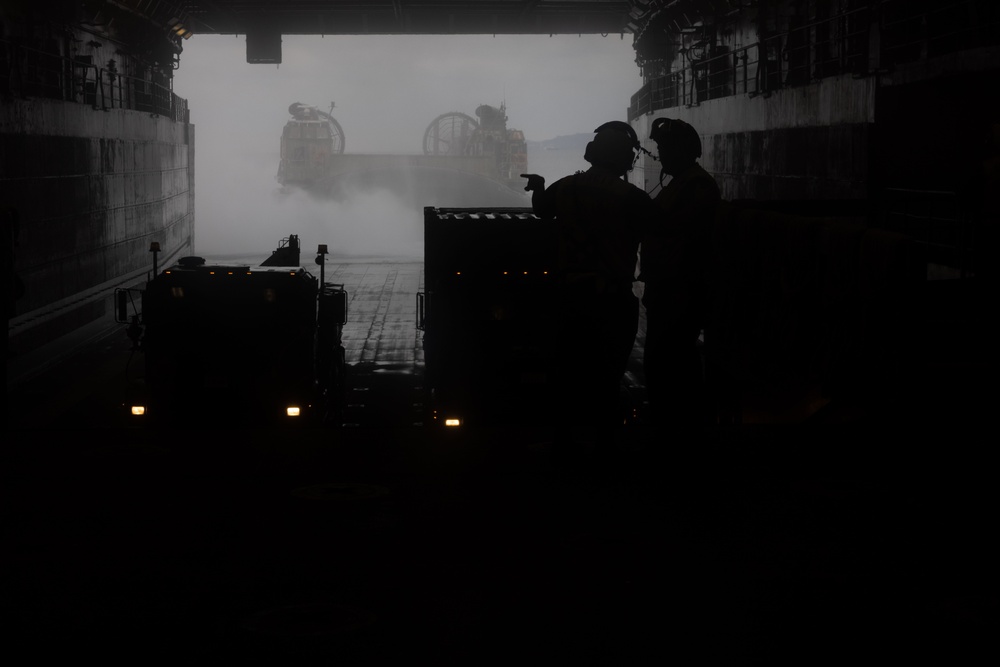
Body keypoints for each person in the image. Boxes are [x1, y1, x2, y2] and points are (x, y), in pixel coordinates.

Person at [521, 121, 658, 456]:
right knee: (608, 376)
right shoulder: (633, 198)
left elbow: (542, 210)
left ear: (592, 153)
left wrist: (538, 185)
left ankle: (563, 440)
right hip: (612, 298)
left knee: (565, 372)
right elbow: (659, 232)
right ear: (625, 160)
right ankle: (605, 445)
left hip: (569, 295)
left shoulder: (566, 187)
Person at [640, 117, 720, 430]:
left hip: (679, 293)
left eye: (663, 148)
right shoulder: (685, 183)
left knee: (670, 364)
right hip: (668, 291)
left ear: (681, 150)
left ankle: (680, 431)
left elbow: (678, 232)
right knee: (667, 362)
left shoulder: (695, 186)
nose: (660, 154)